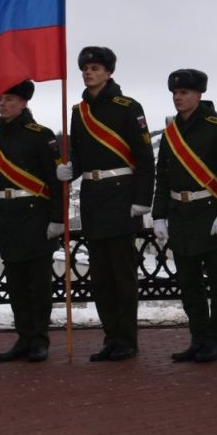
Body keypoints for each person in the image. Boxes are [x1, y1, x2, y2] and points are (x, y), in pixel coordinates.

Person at [58, 46, 154, 362]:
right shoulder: (78, 111)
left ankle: (127, 339)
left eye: (96, 68)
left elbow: (144, 157)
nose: (89, 73)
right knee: (100, 277)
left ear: (109, 73)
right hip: (93, 197)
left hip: (122, 195)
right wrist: (69, 169)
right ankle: (110, 337)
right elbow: (81, 155)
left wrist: (142, 200)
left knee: (122, 275)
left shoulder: (128, 107)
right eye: (85, 68)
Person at [152, 69, 217, 364]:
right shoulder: (170, 133)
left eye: (184, 93)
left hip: (211, 214)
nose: (178, 98)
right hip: (181, 216)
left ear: (198, 95)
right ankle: (198, 339)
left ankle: (216, 341)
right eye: (175, 93)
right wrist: (159, 216)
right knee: (189, 285)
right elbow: (162, 177)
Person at [0, 81, 65, 363]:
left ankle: (40, 340)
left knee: (38, 284)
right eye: (1, 99)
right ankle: (23, 338)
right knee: (16, 284)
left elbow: (55, 180)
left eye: (10, 99)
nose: (3, 104)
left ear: (24, 103)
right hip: (7, 216)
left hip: (36, 216)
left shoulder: (40, 135)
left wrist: (57, 219)